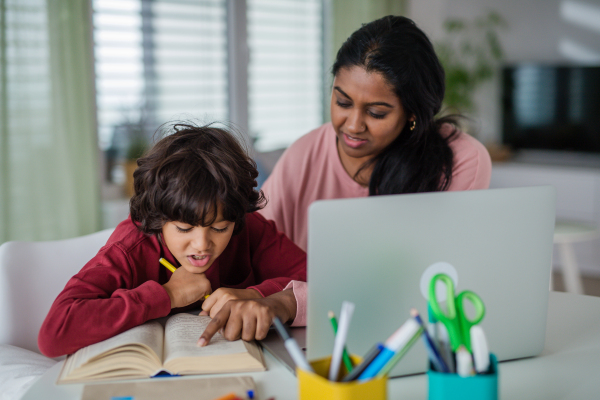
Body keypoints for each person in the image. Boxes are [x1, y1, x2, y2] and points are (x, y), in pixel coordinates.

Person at [258, 16, 492, 326]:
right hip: (307, 332)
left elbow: (421, 282)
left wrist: (293, 301)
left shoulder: (461, 160)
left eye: (376, 112)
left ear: (412, 113)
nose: (353, 125)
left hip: (404, 329)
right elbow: (254, 242)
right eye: (343, 102)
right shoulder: (306, 151)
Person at [38, 123, 306, 358]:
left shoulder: (249, 228)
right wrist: (167, 294)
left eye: (219, 228)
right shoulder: (130, 247)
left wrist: (255, 295)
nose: (202, 244)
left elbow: (319, 279)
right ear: (158, 218)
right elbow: (54, 333)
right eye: (184, 228)